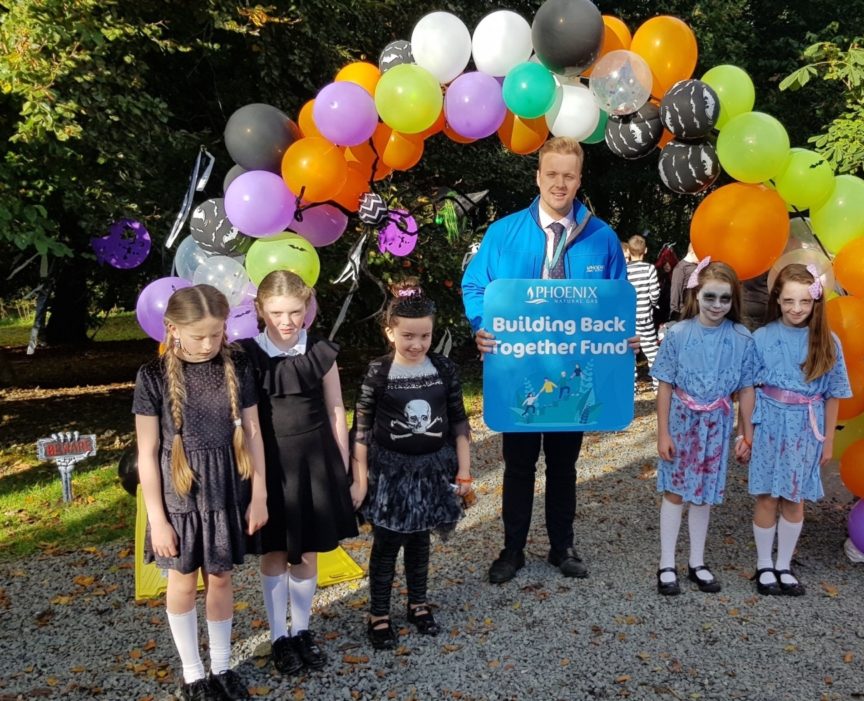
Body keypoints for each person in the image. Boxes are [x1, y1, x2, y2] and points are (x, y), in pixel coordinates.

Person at [462, 137, 627, 584]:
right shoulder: (503, 233)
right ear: (537, 176)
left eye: (568, 175)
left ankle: (562, 546)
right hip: (517, 372)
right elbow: (476, 286)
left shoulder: (602, 237)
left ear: (579, 179)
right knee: (517, 465)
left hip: (570, 376)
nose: (560, 183)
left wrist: (620, 338)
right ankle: (512, 549)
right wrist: (482, 324)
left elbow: (616, 301)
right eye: (551, 174)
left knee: (563, 464)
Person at [133, 284, 268, 701]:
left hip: (227, 488)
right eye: (198, 336)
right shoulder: (152, 376)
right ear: (172, 329)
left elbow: (253, 430)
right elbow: (147, 450)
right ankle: (194, 675)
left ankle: (222, 667)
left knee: (222, 578)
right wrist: (157, 519)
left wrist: (259, 492)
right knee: (183, 582)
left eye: (216, 333)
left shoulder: (237, 366)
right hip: (180, 496)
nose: (208, 343)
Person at [236, 270, 357, 675]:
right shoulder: (247, 354)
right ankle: (278, 637)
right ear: (259, 309)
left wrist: (343, 464)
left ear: (307, 308)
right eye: (276, 312)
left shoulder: (320, 351)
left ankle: (302, 630)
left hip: (315, 461)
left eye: (294, 312)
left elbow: (337, 408)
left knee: (306, 550)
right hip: (270, 464)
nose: (286, 321)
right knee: (273, 551)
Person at [351, 281, 473, 650]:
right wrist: (359, 479)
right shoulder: (378, 371)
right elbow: (361, 427)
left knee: (421, 540)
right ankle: (379, 613)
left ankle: (418, 603)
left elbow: (459, 422)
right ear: (390, 332)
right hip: (389, 473)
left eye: (425, 335)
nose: (417, 344)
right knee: (387, 543)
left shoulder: (444, 369)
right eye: (408, 335)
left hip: (434, 470)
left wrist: (464, 472)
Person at [651, 259, 758, 596]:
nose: (716, 305)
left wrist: (746, 433)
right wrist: (663, 433)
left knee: (704, 493)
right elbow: (665, 385)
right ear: (696, 294)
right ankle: (667, 562)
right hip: (682, 422)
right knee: (676, 490)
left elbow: (746, 388)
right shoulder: (678, 334)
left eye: (724, 299)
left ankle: (696, 561)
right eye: (709, 297)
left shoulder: (741, 337)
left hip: (716, 423)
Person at [745, 264, 851, 596]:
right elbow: (747, 388)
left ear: (815, 302)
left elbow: (834, 393)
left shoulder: (827, 341)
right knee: (766, 495)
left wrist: (828, 440)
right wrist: (744, 434)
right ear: (777, 299)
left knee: (793, 498)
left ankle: (784, 564)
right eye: (789, 300)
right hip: (769, 423)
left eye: (804, 302)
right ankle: (764, 564)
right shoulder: (761, 337)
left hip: (807, 427)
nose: (796, 309)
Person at [626, 233, 661, 388]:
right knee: (652, 352)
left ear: (629, 251)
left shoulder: (624, 270)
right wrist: (654, 303)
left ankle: (631, 387)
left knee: (629, 353)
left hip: (628, 317)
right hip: (645, 317)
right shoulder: (650, 269)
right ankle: (657, 385)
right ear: (645, 250)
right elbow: (654, 293)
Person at [669, 244, 700, 320]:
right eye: (699, 253)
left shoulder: (697, 265)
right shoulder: (680, 268)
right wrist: (674, 312)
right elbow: (675, 289)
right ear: (692, 252)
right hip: (684, 311)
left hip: (697, 308)